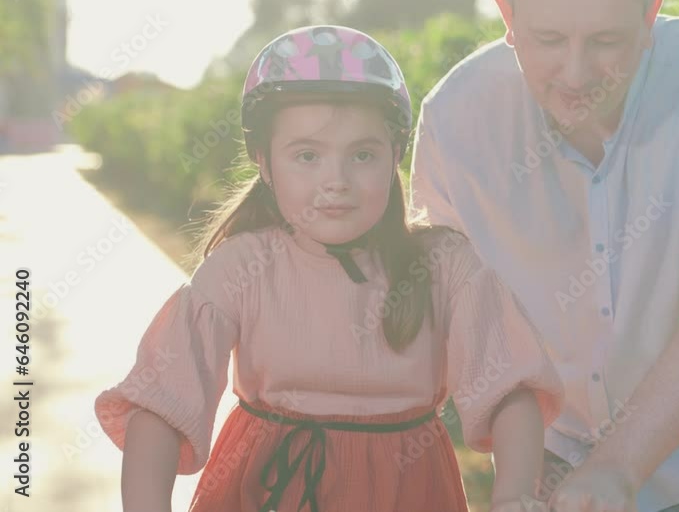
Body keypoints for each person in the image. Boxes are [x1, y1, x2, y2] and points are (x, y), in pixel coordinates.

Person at [94, 25, 563, 512]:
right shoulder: (240, 269)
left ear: (394, 154)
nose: (335, 181)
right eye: (307, 156)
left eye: (362, 154)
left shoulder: (444, 267)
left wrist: (513, 495)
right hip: (262, 492)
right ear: (265, 163)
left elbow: (512, 390)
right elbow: (160, 406)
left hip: (406, 491)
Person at [409, 0, 679, 511]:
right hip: (542, 454)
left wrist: (617, 468)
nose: (577, 73)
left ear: (649, 15)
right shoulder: (455, 122)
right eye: (550, 39)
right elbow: (462, 330)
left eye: (607, 42)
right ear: (508, 18)